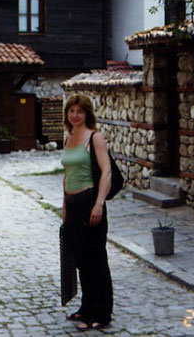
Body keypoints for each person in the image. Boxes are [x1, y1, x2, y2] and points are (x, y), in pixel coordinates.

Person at [61, 94, 113, 331]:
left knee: (96, 260)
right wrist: (64, 206)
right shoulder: (69, 139)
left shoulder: (95, 138)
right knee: (81, 260)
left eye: (79, 111)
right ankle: (86, 307)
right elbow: (66, 176)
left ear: (86, 114)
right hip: (73, 205)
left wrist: (99, 203)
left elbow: (106, 172)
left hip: (90, 202)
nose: (75, 115)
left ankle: (101, 313)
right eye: (71, 111)